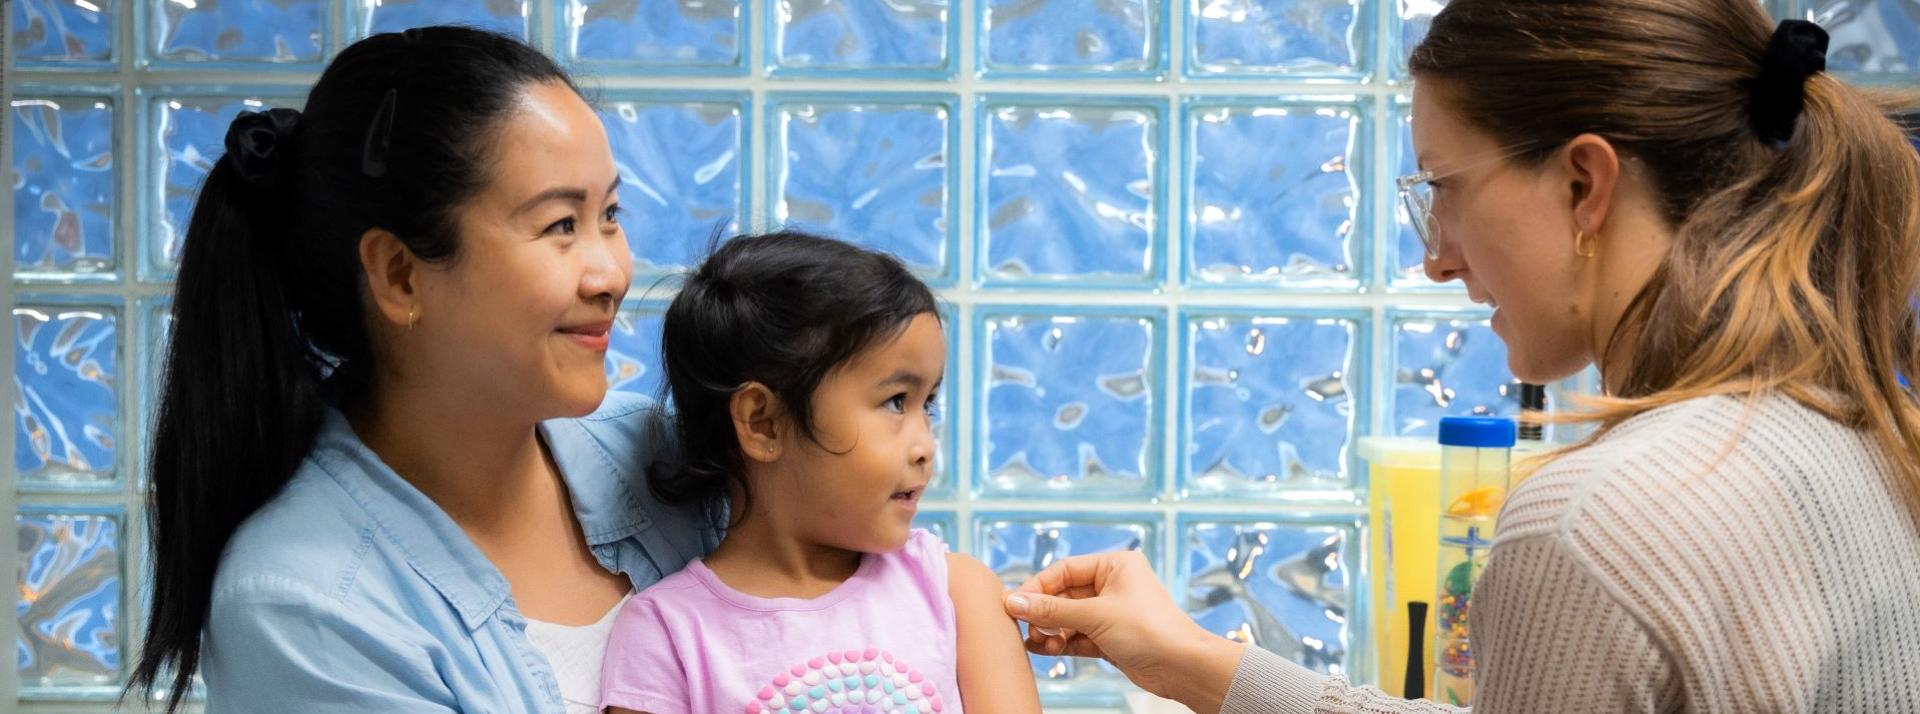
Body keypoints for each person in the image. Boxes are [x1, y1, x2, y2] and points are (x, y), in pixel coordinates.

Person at [1001, 1, 1920, 712]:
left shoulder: (1595, 522)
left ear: (1583, 181)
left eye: (1444, 188)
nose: (1435, 257)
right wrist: (1193, 664)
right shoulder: (1855, 426)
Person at [127, 27, 716, 713]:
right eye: (561, 224)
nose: (612, 272)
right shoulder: (303, 606)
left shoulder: (672, 462)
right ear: (400, 276)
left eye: (609, 215)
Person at [598, 232, 1041, 713]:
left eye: (926, 404)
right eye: (896, 401)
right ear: (762, 422)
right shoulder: (667, 636)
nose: (925, 447)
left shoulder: (958, 596)